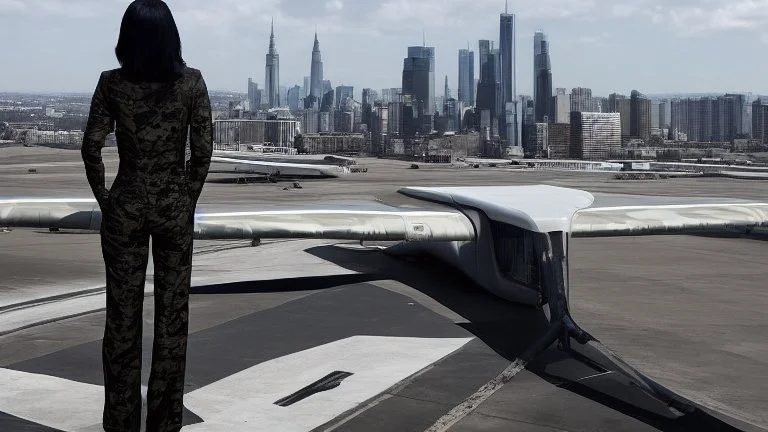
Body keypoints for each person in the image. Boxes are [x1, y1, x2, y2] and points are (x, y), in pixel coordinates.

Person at [80, 1, 212, 431]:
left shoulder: (111, 83)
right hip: (173, 207)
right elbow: (203, 151)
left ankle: (120, 423)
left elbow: (91, 147)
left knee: (121, 319)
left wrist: (106, 198)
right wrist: (185, 198)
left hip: (127, 206)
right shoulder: (191, 83)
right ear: (171, 37)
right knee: (173, 318)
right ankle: (164, 423)